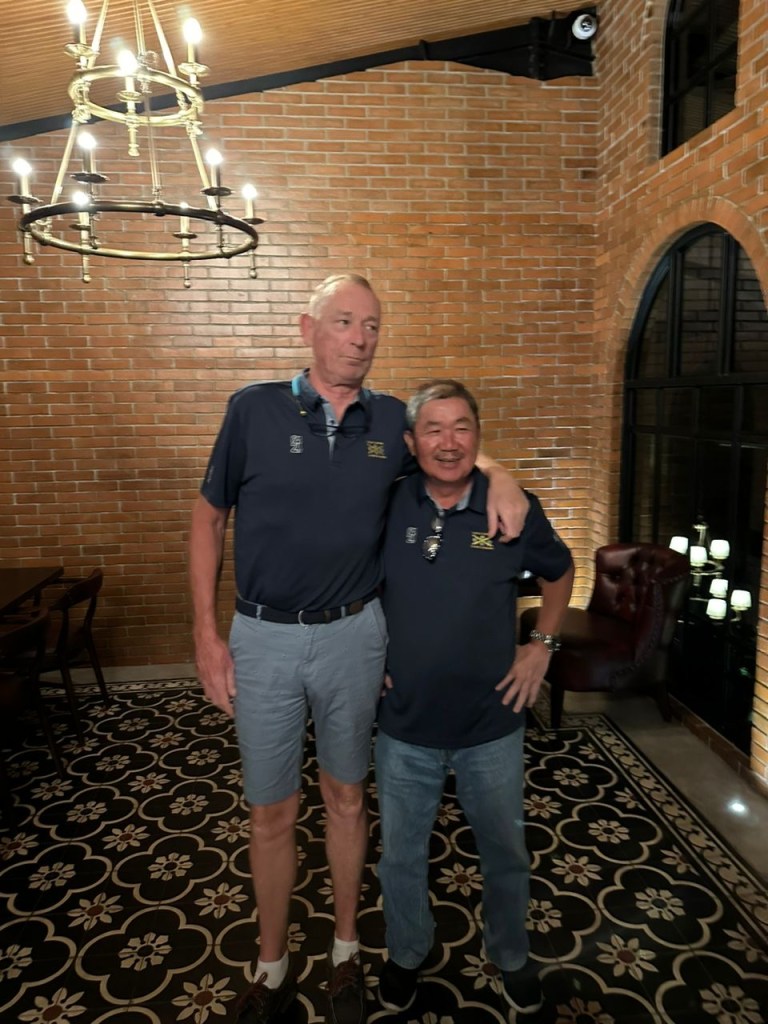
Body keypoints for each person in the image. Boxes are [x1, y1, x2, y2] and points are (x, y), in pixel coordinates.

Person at [188, 275, 530, 1024]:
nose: (360, 338)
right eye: (345, 321)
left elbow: (449, 453)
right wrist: (206, 636)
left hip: (354, 633)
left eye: (372, 325)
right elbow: (208, 518)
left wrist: (501, 473)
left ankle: (346, 953)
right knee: (271, 812)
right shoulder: (252, 408)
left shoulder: (388, 420)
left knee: (347, 798)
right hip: (263, 637)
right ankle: (272, 965)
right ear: (308, 327)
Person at [375, 379, 574, 1018]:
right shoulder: (386, 503)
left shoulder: (511, 507)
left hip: (493, 723)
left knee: (505, 852)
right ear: (411, 442)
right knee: (401, 856)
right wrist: (362, 660)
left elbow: (560, 570)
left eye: (462, 427)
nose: (449, 442)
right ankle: (407, 951)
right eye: (433, 429)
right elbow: (346, 579)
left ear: (479, 436)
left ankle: (510, 953)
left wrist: (541, 645)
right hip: (403, 724)